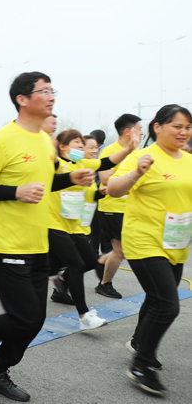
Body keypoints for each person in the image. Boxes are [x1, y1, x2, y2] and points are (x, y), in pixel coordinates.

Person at [0, 72, 94, 401]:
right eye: (43, 91)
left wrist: (70, 177)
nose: (51, 96)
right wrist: (15, 191)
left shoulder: (45, 140)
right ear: (22, 99)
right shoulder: (1, 139)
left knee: (33, 320)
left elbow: (44, 184)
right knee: (24, 315)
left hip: (37, 243)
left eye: (52, 90)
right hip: (6, 243)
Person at [107, 104, 192, 396]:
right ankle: (141, 364)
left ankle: (140, 341)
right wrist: (136, 174)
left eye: (188, 127)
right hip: (144, 240)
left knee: (157, 299)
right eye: (177, 126)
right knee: (168, 304)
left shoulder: (189, 160)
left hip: (176, 243)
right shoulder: (142, 156)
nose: (184, 132)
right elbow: (114, 189)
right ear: (158, 127)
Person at [46, 129, 137, 329]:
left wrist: (129, 148)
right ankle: (84, 316)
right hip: (54, 224)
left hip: (75, 227)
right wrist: (48, 138)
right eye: (76, 142)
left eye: (82, 143)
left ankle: (56, 277)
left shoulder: (82, 164)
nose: (81, 146)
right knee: (77, 266)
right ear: (62, 146)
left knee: (89, 262)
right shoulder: (56, 164)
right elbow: (49, 158)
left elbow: (107, 162)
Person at [96, 113, 143, 299]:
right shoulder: (110, 151)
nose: (141, 133)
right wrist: (131, 176)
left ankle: (97, 263)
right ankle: (105, 284)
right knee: (120, 251)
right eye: (139, 129)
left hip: (129, 208)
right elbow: (106, 179)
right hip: (112, 207)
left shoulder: (138, 152)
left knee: (123, 250)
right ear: (128, 131)